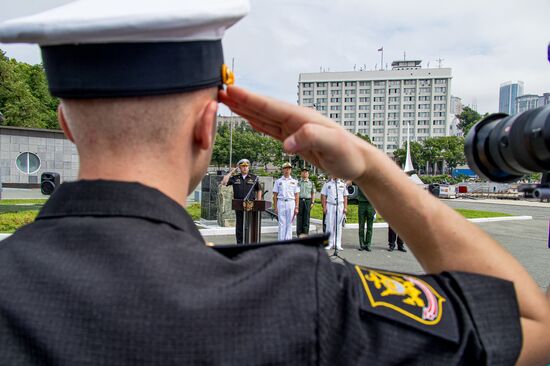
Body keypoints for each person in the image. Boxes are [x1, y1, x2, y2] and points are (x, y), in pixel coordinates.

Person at [1, 2, 550, 365]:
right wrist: (373, 166)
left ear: (66, 125)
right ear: (207, 126)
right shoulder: (300, 299)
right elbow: (531, 324)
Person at [220, 158, 261, 244]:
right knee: (239, 225)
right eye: (242, 166)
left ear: (249, 167)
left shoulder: (254, 178)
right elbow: (224, 182)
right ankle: (239, 243)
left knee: (250, 224)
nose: (245, 168)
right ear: (239, 167)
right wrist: (232, 172)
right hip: (239, 204)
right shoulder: (235, 178)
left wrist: (259, 201)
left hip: (251, 205)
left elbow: (259, 189)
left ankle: (250, 242)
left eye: (246, 166)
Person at [272, 162, 299, 240]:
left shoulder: (295, 181)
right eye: (286, 168)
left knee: (289, 223)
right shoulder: (278, 181)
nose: (287, 170)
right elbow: (275, 195)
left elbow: (297, 195)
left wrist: (296, 207)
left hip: (291, 202)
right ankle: (281, 241)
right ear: (283, 170)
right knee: (281, 223)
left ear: (291, 170)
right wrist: (275, 207)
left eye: (289, 169)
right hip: (281, 202)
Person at [321, 176, 348, 250]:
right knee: (329, 225)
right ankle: (328, 244)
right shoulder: (327, 184)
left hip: (340, 205)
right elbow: (323, 195)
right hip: (330, 205)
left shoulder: (342, 184)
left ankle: (337, 244)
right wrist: (324, 207)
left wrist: (345, 207)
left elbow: (345, 196)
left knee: (338, 226)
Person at [296, 167, 316, 237]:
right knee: (299, 218)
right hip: (300, 200)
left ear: (308, 174)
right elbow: (296, 193)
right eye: (303, 172)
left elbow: (313, 193)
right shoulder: (298, 183)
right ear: (301, 174)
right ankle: (299, 233)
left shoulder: (311, 183)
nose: (305, 174)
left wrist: (312, 202)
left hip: (308, 201)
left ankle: (305, 234)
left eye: (306, 172)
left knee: (306, 218)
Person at [356, 185, 375, 251]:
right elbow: (350, 180)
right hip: (362, 203)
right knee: (361, 226)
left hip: (371, 204)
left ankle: (368, 244)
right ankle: (362, 244)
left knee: (370, 226)